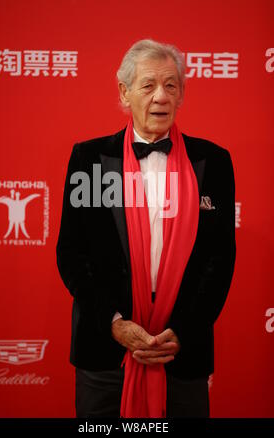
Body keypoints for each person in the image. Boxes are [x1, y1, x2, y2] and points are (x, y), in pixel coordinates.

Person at [56, 39, 236, 418]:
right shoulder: (89, 159)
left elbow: (220, 259)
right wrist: (114, 323)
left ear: (182, 94)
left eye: (171, 86)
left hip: (181, 350)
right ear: (125, 92)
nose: (161, 97)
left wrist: (184, 330)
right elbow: (72, 253)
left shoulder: (213, 162)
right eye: (149, 85)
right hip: (105, 352)